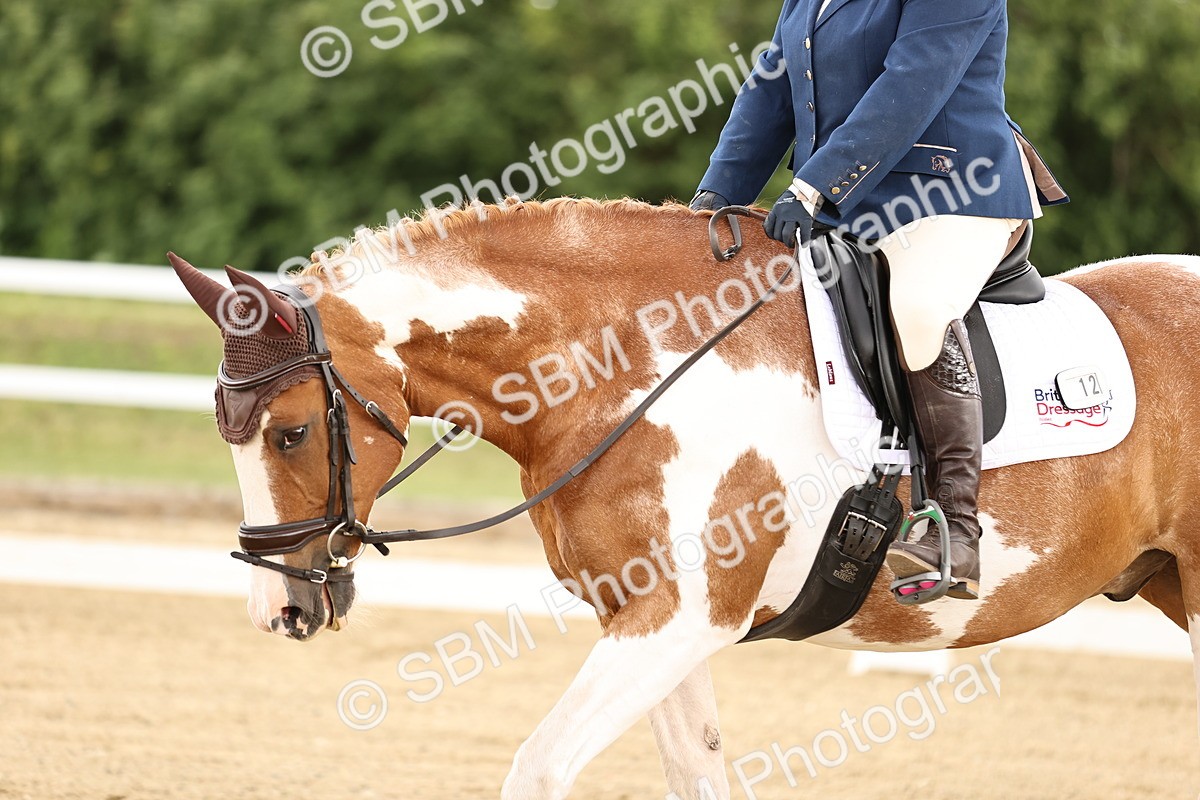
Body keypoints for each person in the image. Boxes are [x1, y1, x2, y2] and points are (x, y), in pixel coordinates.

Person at [691, 0, 1067, 600]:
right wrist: (714, 197)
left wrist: (816, 184)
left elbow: (914, 81)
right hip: (854, 205)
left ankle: (955, 529)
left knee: (918, 309)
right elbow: (773, 88)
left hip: (955, 194)